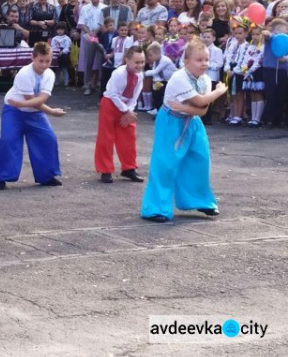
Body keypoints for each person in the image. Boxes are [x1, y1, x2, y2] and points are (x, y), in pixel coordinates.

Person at [140, 40, 228, 222]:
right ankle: (155, 208)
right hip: (171, 120)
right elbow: (202, 102)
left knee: (200, 159)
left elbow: (203, 110)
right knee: (165, 163)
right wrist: (219, 91)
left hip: (192, 121)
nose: (204, 63)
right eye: (199, 60)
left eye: (206, 59)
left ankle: (200, 201)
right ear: (186, 61)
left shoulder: (204, 79)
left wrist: (187, 107)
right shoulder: (179, 77)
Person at [0, 42, 66, 190]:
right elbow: (31, 101)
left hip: (33, 112)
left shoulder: (50, 74)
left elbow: (41, 99)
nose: (44, 65)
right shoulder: (24, 73)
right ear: (33, 58)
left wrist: (21, 104)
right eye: (41, 61)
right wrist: (51, 112)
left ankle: (46, 176)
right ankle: (0, 177)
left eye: (47, 61)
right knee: (8, 140)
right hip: (14, 111)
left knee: (48, 139)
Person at [95, 46, 146, 183]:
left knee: (129, 136)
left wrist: (129, 111)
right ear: (127, 61)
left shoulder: (140, 75)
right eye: (137, 62)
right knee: (106, 138)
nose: (140, 65)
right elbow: (112, 94)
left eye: (142, 62)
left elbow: (135, 96)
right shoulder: (118, 73)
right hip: (110, 104)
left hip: (125, 107)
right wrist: (126, 110)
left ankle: (129, 168)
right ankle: (105, 170)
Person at [77, 0, 107, 95]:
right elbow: (81, 23)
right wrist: (90, 33)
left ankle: (98, 84)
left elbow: (105, 22)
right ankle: (87, 85)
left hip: (100, 37)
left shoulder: (105, 8)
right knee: (88, 62)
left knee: (100, 62)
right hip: (88, 37)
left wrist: (97, 31)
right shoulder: (85, 8)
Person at [261, 18, 288, 128]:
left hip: (283, 69)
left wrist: (285, 58)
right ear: (277, 29)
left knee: (281, 95)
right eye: (285, 28)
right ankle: (269, 118)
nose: (287, 30)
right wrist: (267, 32)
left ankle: (278, 119)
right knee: (271, 94)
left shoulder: (286, 39)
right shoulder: (272, 38)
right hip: (270, 69)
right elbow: (267, 35)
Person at [223, 22, 249, 125]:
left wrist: (235, 71)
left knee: (239, 94)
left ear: (246, 34)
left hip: (239, 72)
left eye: (240, 33)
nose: (238, 35)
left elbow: (245, 60)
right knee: (232, 94)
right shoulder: (233, 45)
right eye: (236, 33)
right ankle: (233, 114)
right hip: (231, 70)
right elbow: (228, 57)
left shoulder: (246, 46)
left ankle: (239, 115)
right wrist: (228, 69)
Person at [241, 24, 265, 127]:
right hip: (248, 72)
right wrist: (245, 69)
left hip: (258, 71)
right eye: (253, 34)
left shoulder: (263, 46)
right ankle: (253, 117)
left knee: (258, 94)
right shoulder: (250, 46)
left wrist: (251, 70)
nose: (255, 37)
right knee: (252, 94)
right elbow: (246, 57)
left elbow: (259, 60)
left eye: (258, 34)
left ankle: (258, 118)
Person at [144, 42, 177, 116]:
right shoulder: (156, 61)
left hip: (171, 81)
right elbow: (155, 74)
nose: (149, 57)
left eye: (151, 55)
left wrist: (143, 74)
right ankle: (158, 109)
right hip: (163, 80)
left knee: (161, 95)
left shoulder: (164, 60)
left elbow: (155, 71)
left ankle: (161, 111)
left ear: (158, 53)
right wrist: (155, 83)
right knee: (156, 92)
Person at [200, 28, 225, 125]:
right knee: (202, 95)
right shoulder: (201, 49)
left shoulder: (217, 50)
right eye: (204, 37)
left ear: (214, 38)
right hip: (201, 75)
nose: (206, 39)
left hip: (211, 76)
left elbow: (219, 64)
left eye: (208, 37)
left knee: (209, 97)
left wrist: (207, 65)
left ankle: (207, 117)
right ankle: (201, 116)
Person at [51, 22, 72, 86]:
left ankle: (66, 82)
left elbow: (67, 47)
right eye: (58, 29)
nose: (60, 31)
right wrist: (56, 52)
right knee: (57, 69)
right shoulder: (54, 38)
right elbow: (53, 47)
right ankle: (56, 82)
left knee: (65, 69)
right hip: (56, 55)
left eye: (62, 29)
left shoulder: (67, 38)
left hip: (64, 55)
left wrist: (62, 52)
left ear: (64, 30)